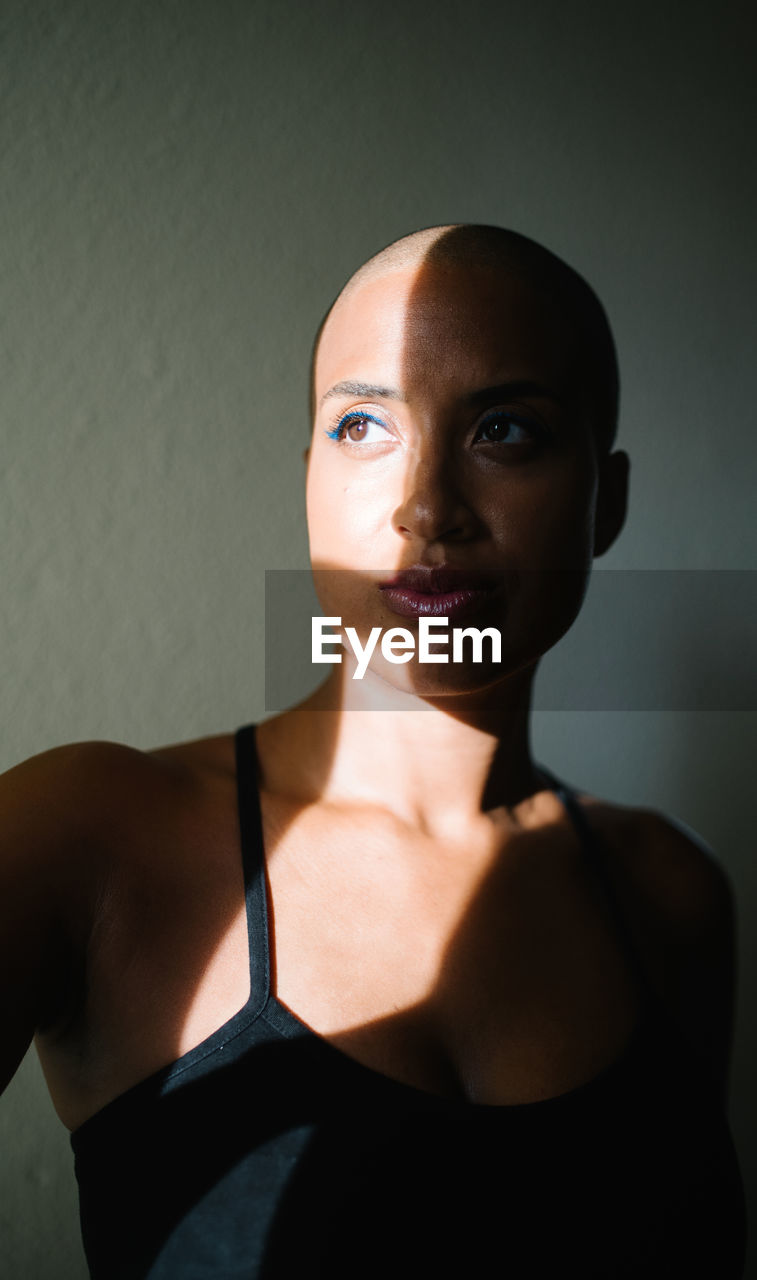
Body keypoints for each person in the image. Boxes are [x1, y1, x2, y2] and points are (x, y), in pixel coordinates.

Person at [0, 224, 746, 1278]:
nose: (426, 506)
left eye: (505, 430)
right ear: (309, 477)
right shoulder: (91, 836)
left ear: (605, 501)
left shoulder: (671, 896)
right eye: (363, 424)